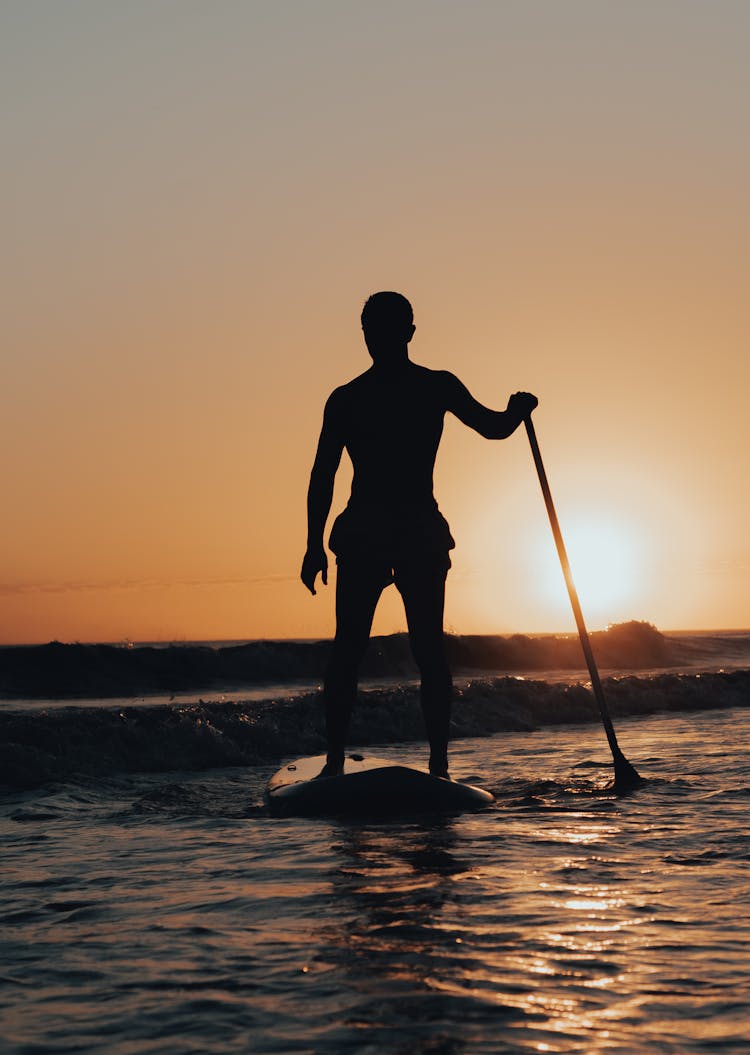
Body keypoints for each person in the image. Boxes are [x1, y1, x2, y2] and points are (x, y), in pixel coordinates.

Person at [301, 292, 537, 778]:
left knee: (425, 649)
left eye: (385, 329)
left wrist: (515, 413)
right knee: (351, 647)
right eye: (370, 329)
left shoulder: (433, 387)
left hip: (412, 532)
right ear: (363, 333)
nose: (377, 338)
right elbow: (321, 474)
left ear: (408, 332)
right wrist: (311, 545)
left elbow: (492, 427)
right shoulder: (347, 399)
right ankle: (336, 763)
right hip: (370, 532)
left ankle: (437, 767)